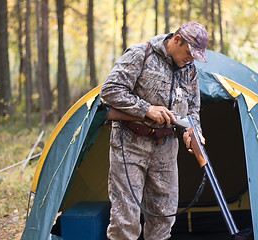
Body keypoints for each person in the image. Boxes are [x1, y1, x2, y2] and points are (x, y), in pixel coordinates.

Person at [100, 21, 209, 240]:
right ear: (177, 40)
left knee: (164, 217)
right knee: (125, 219)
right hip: (130, 144)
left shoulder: (189, 70)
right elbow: (110, 91)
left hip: (166, 147)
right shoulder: (141, 54)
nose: (190, 60)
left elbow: (193, 108)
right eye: (188, 53)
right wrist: (146, 109)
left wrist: (193, 131)